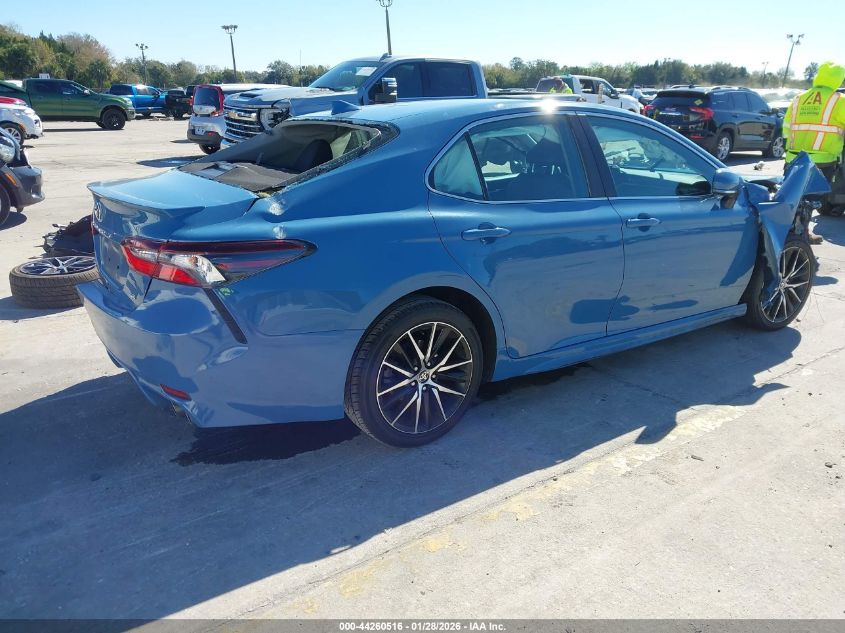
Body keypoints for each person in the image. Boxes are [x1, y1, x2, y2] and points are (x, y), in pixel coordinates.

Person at [783, 61, 845, 244]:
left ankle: (789, 231)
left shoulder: (799, 98)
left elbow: (786, 128)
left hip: (794, 157)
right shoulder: (839, 101)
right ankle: (800, 235)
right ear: (838, 80)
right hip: (822, 159)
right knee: (811, 199)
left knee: (793, 196)